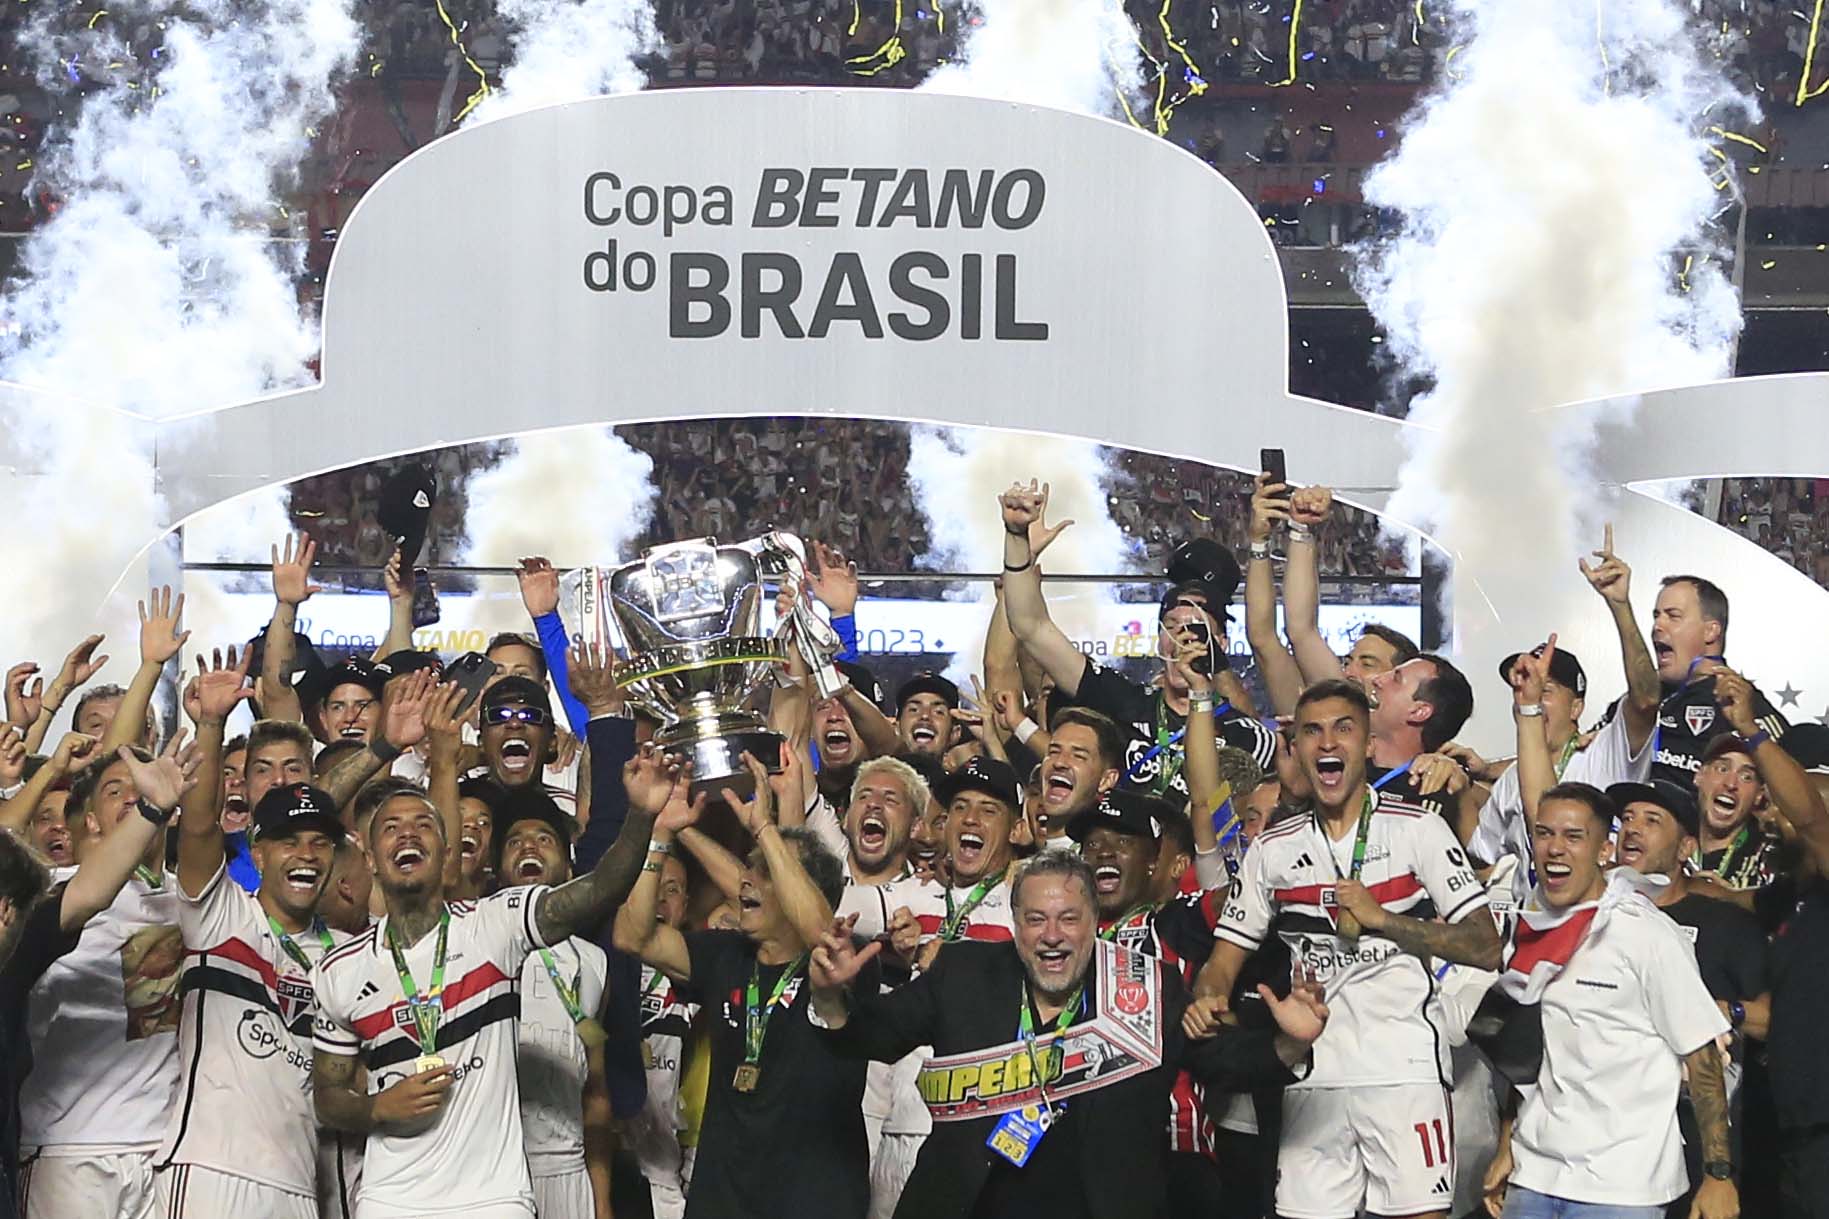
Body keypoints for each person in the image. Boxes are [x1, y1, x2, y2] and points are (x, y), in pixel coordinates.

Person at [806, 851, 1328, 1219]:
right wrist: (831, 997)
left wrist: (1290, 1043)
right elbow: (874, 1035)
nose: (1052, 936)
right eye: (1035, 919)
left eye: (1068, 919)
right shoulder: (963, 972)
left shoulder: (1144, 985)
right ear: (1014, 925)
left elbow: (1222, 1059)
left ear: (1094, 923)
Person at [1189, 678, 1501, 1219]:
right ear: (1299, 748)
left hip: (1403, 1074)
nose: (1327, 743)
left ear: (1367, 746)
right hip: (1313, 1078)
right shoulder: (1272, 849)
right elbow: (1222, 963)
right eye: (1312, 731)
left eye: (1343, 729)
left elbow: (1485, 946)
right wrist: (1207, 999)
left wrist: (1385, 921)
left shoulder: (1419, 830)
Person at [309, 741, 655, 1218]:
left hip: (495, 1200)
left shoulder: (495, 926)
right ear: (369, 857)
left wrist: (640, 817)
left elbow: (599, 890)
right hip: (391, 1201)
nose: (407, 834)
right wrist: (375, 1109)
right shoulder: (338, 971)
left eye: (423, 825)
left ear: (446, 852)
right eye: (390, 827)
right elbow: (327, 1097)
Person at [613, 748, 874, 1219]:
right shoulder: (727, 955)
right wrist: (664, 833)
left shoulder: (848, 960)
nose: (746, 883)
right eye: (749, 871)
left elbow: (816, 929)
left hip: (815, 1202)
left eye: (766, 872)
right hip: (722, 1198)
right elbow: (633, 935)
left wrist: (765, 828)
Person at [1483, 783, 1737, 1219]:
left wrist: (1717, 1174)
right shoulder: (1534, 926)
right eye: (1544, 834)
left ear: (1605, 850)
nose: (1554, 849)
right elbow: (1532, 1050)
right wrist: (1509, 1142)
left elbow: (1702, 1056)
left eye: (1573, 836)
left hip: (1622, 1187)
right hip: (1536, 1175)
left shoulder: (1647, 933)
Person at [1, 740, 193, 1219]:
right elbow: (84, 889)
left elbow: (87, 893)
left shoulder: (195, 900)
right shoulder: (51, 894)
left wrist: (154, 808)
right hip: (69, 1146)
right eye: (114, 792)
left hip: (161, 1147)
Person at [998, 481, 1276, 799]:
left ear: (1221, 644)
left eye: (1197, 627)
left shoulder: (1248, 735)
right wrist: (1017, 539)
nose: (1182, 636)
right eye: (1171, 625)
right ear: (1159, 640)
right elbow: (1030, 626)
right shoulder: (1125, 702)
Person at [1608, 778, 1769, 1219]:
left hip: (1694, 1137)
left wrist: (1722, 1012)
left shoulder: (1725, 923)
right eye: (1626, 819)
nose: (1632, 829)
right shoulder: (1596, 919)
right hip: (1605, 1140)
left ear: (1685, 849)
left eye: (1652, 820)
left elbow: (1773, 1018)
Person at [1069, 789, 1236, 1214]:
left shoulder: (1174, 924)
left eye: (1123, 842)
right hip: (1070, 1148)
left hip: (1170, 1150)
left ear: (1152, 861)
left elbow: (1239, 893)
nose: (1104, 851)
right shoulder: (1056, 941)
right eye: (1092, 844)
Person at [1467, 527, 1661, 880]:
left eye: (1547, 690)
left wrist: (1620, 606)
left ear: (1576, 708)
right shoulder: (1512, 779)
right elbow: (1482, 856)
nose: (1532, 700)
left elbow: (1647, 698)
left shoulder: (1605, 751)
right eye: (1525, 688)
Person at [493, 788, 614, 1219]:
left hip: (567, 1171)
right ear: (496, 868)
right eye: (514, 841)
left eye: (544, 839)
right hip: (494, 1171)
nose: (529, 846)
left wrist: (601, 1201)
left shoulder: (594, 962)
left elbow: (595, 1089)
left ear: (568, 865)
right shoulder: (478, 941)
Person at [1242, 476, 1419, 716]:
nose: (1349, 672)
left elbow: (1300, 631)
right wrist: (1288, 532)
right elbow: (1285, 633)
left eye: (1367, 664)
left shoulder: (1424, 748)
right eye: (1348, 662)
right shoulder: (1325, 717)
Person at [1647, 574, 1787, 789]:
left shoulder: (1742, 703)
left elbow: (1792, 781)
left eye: (1673, 616)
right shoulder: (1642, 698)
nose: (1657, 625)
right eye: (1656, 616)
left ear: (1711, 631)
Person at [1690, 733, 1785, 890]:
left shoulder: (1770, 859)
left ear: (1759, 795)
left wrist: (1734, 899)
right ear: (1699, 775)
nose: (1731, 784)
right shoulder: (1670, 837)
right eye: (1722, 769)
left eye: (1746, 777)